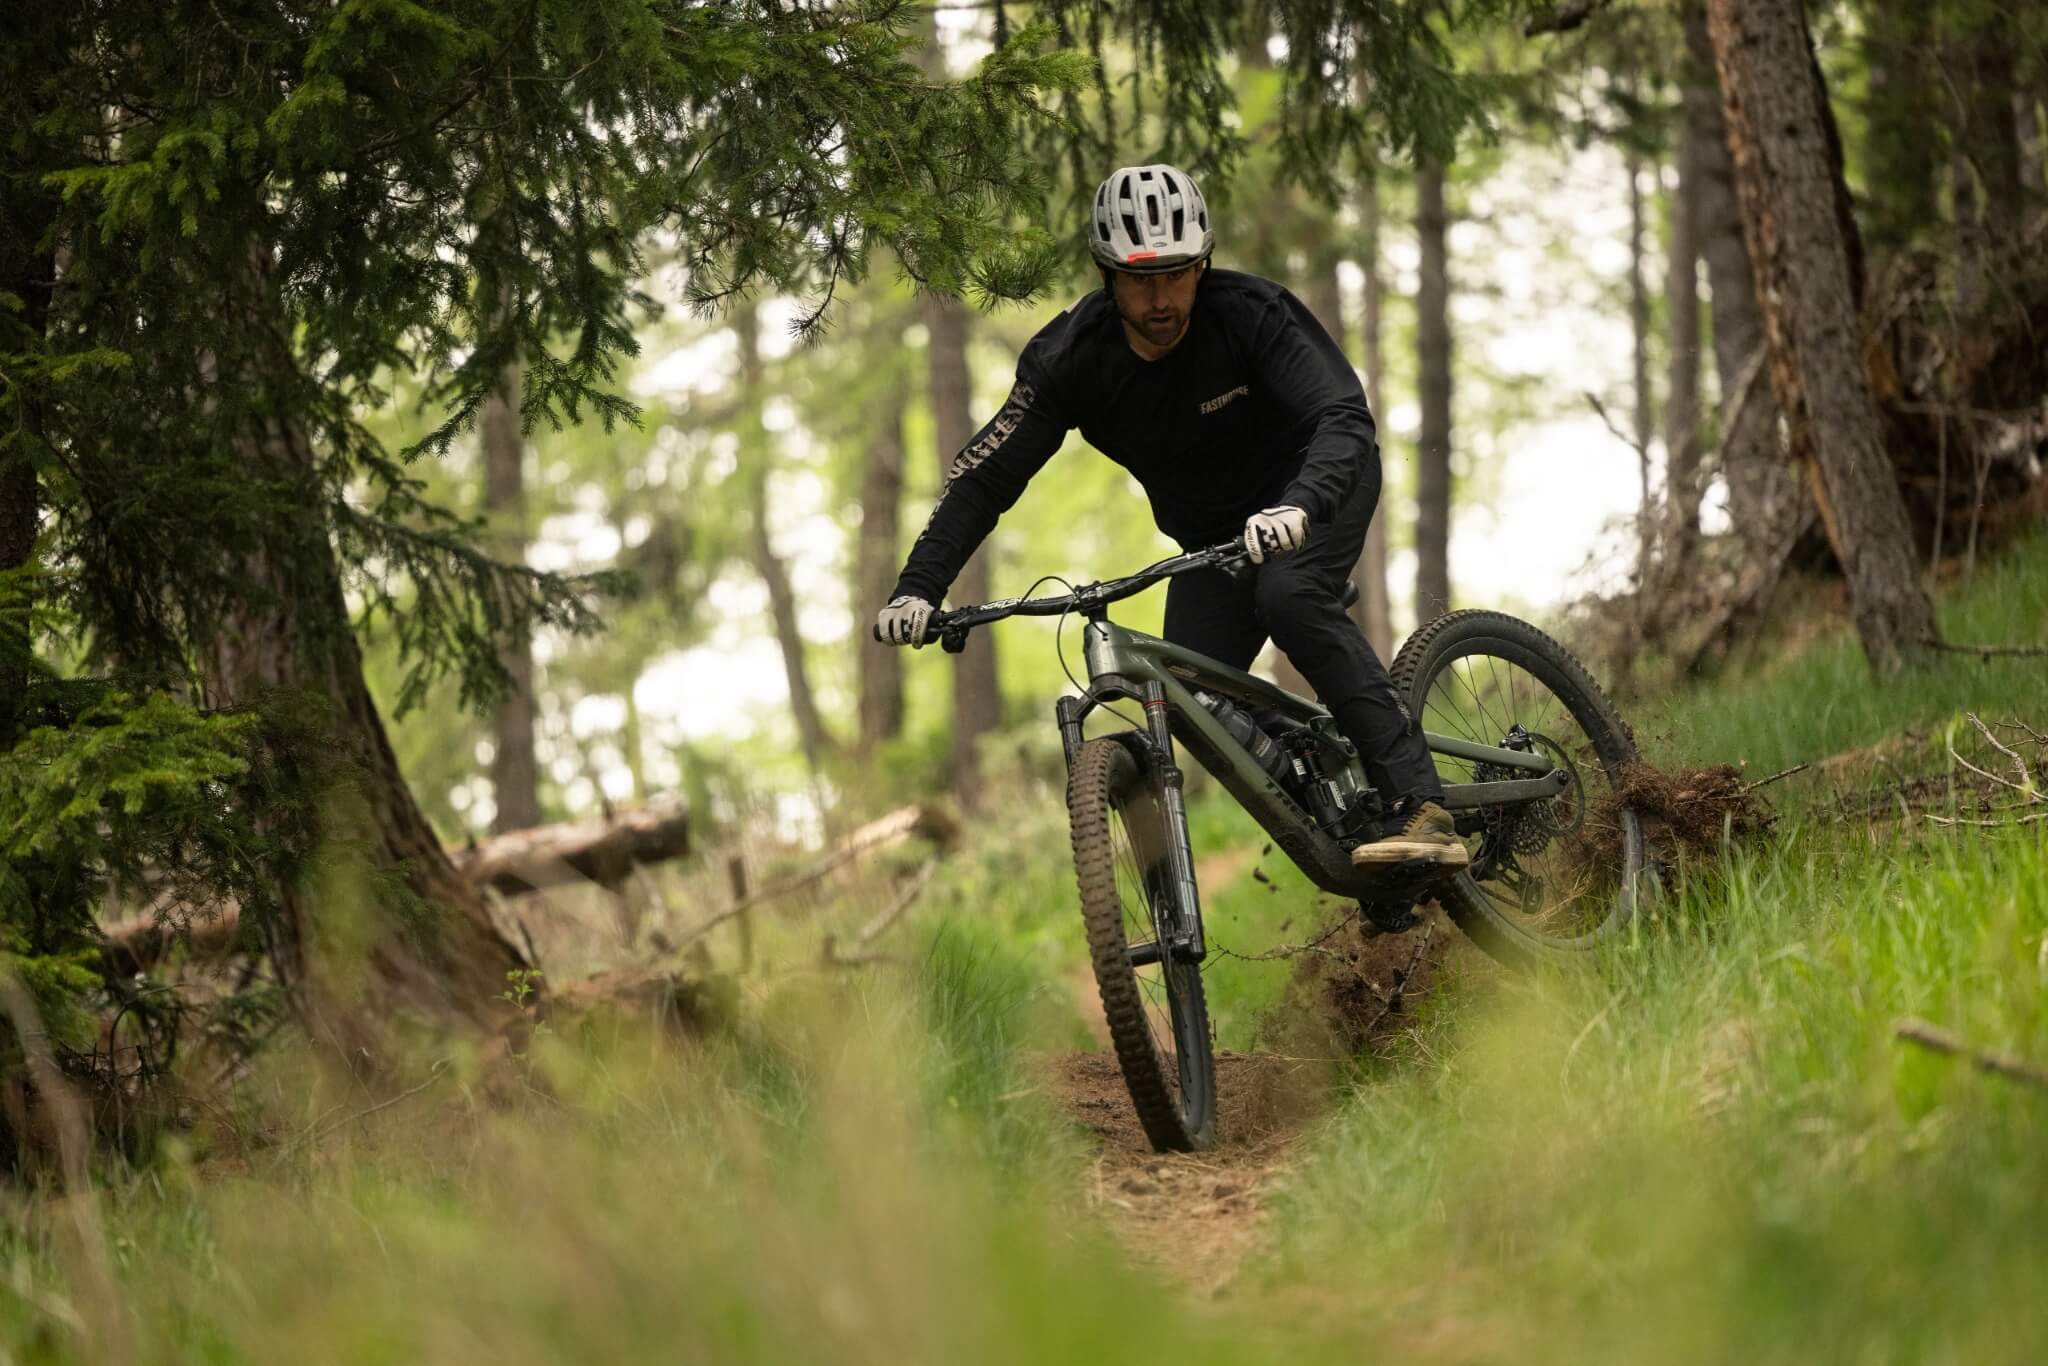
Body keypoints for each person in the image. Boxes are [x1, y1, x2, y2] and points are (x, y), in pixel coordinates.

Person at [875, 163, 1464, 868]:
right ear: (1106, 275)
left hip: (1316, 490)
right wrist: (920, 586)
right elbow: (984, 479)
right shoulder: (1071, 358)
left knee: (1288, 593)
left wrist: (1302, 505)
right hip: (1215, 539)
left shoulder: (1249, 313)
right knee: (1187, 691)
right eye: (1139, 278)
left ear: (1203, 265)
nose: (1161, 298)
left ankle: (1420, 804)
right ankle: (1352, 830)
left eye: (1178, 274)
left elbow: (1340, 414)